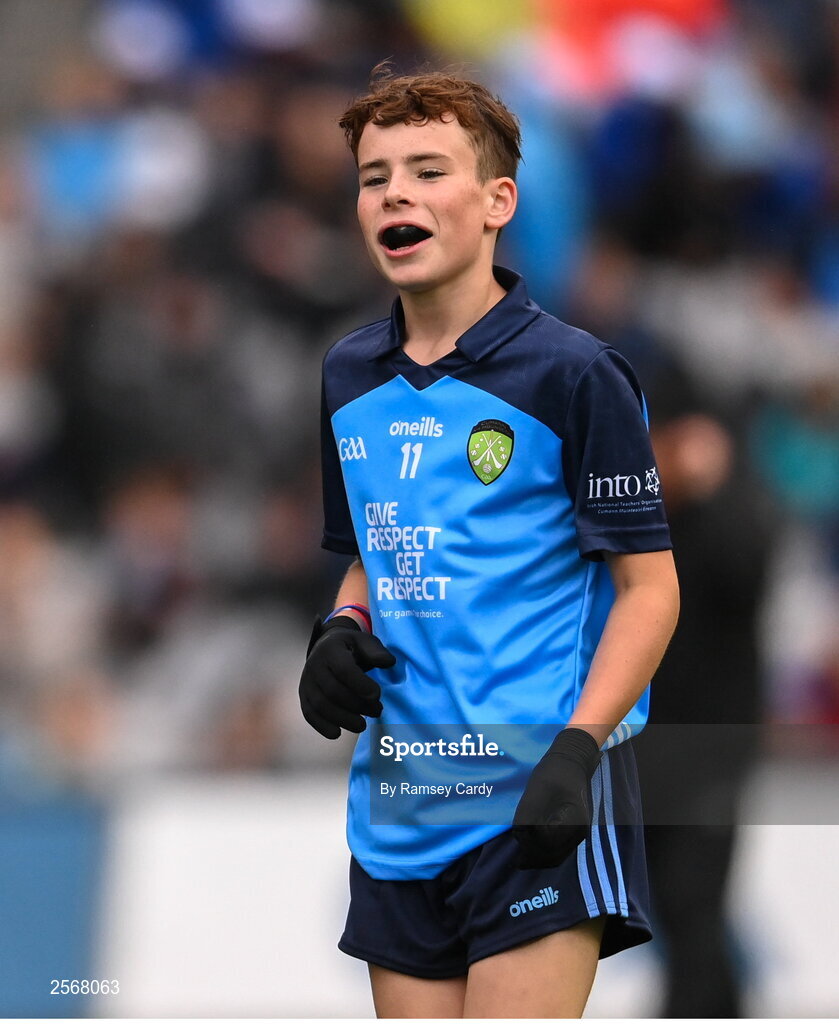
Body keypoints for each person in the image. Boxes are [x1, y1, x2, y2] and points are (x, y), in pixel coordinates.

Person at [299, 64, 679, 1019]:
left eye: (428, 171)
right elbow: (373, 558)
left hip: (537, 797)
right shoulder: (348, 375)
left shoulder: (574, 374)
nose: (395, 193)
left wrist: (577, 751)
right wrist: (339, 626)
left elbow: (649, 591)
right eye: (374, 175)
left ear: (496, 201)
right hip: (402, 799)